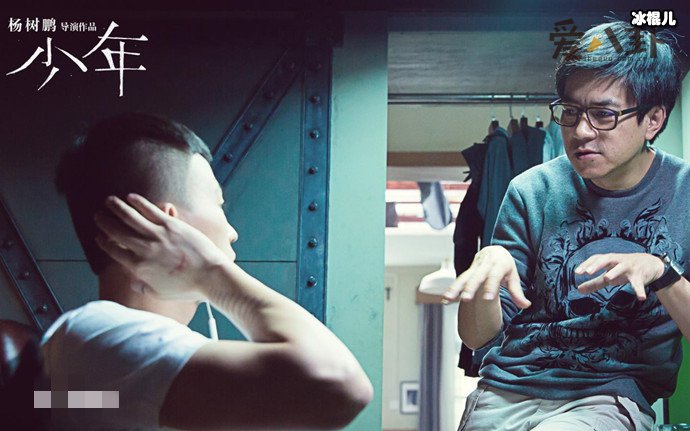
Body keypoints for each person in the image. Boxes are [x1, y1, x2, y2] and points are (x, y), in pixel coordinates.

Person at [44, 112, 373, 430]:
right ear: (165, 223)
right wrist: (209, 273)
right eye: (219, 204)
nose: (232, 232)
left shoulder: (104, 357)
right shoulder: (97, 339)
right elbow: (339, 385)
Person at [444, 20, 688, 431]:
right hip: (506, 389)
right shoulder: (531, 190)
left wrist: (664, 274)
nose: (580, 131)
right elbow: (476, 337)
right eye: (570, 112)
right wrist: (487, 268)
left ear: (653, 120)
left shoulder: (684, 193)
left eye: (603, 115)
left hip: (606, 396)